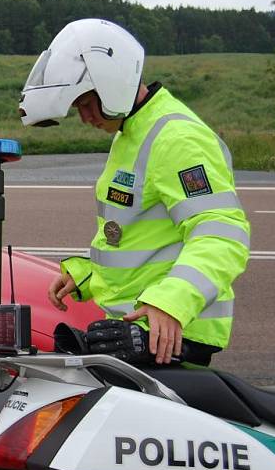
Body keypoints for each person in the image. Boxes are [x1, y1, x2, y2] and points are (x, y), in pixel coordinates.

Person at [19, 18, 250, 366]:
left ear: (111, 82)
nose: (84, 118)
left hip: (170, 333)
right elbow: (135, 237)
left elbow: (221, 233)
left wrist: (171, 302)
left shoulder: (176, 138)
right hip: (137, 330)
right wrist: (87, 275)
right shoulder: (130, 133)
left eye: (85, 104)